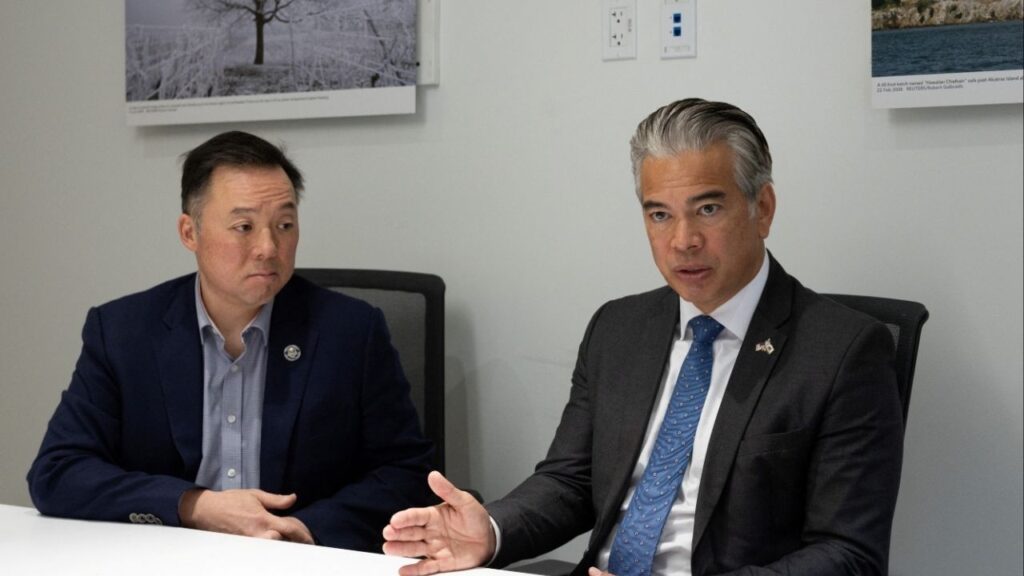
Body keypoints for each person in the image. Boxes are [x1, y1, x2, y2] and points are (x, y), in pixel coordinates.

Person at [382, 99, 904, 575]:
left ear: (761, 208)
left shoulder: (843, 350)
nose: (683, 241)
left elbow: (848, 554)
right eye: (660, 215)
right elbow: (572, 482)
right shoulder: (618, 328)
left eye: (708, 209)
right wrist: (493, 529)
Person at [27, 131, 435, 551]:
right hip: (165, 558)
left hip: (300, 562)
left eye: (285, 225)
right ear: (190, 233)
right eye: (244, 227)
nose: (268, 247)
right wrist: (193, 505)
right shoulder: (123, 332)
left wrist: (306, 529)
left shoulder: (351, 331)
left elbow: (407, 473)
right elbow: (58, 472)